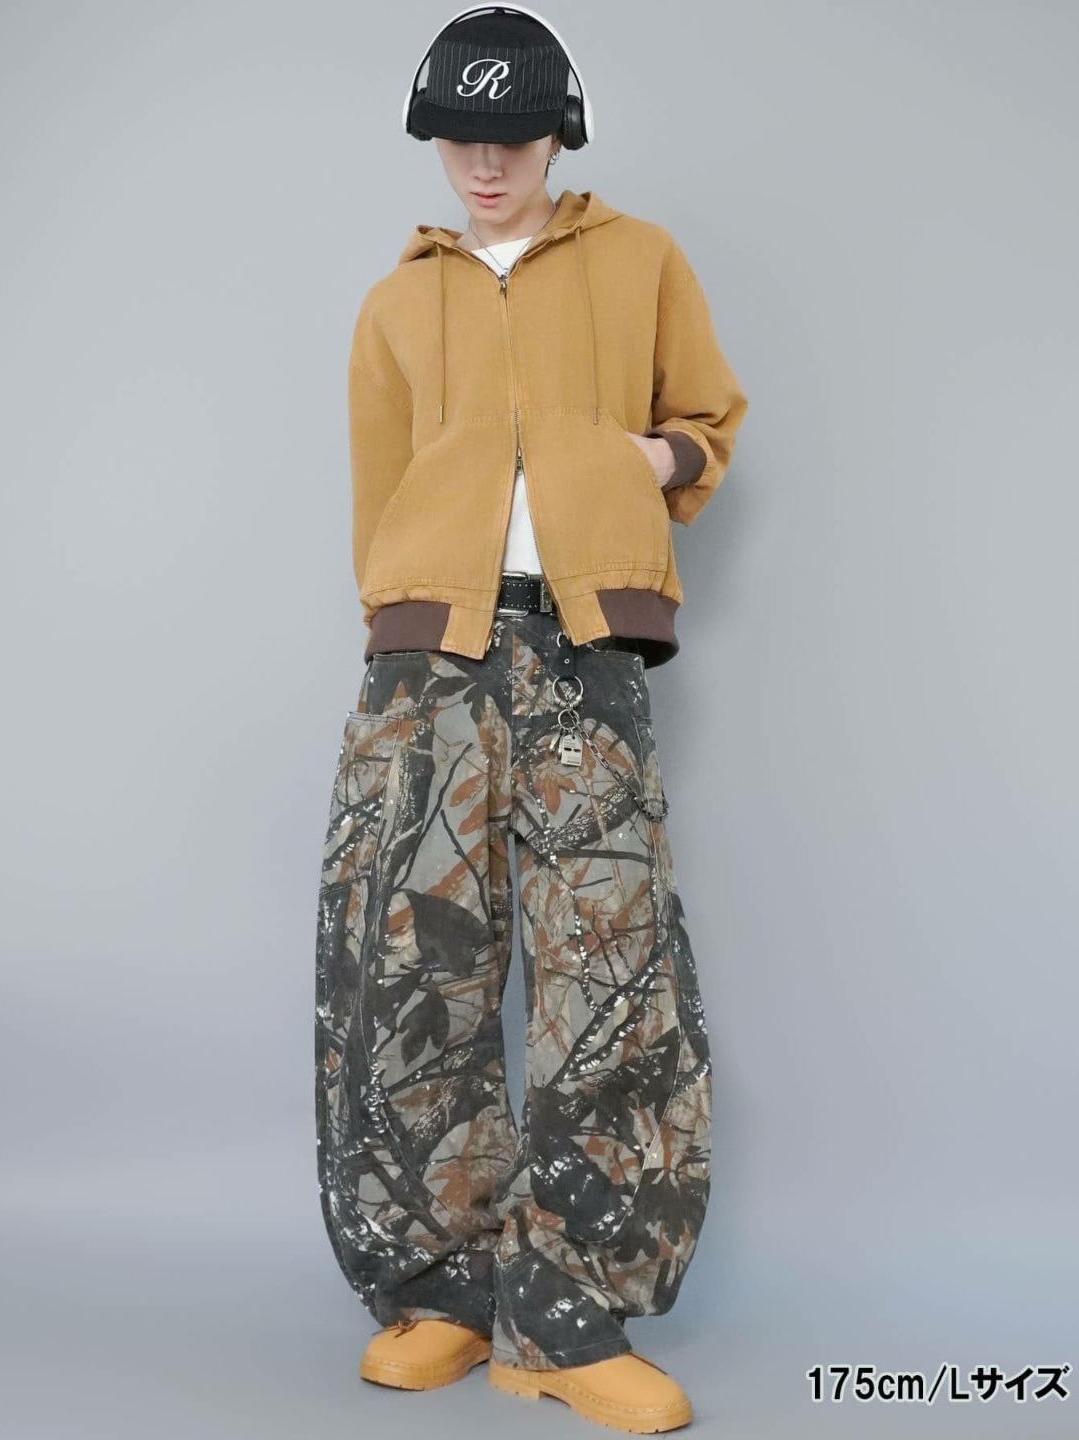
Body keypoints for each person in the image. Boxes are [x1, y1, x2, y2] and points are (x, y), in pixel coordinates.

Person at [315, 6, 748, 1432]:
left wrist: (647, 462)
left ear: (559, 134)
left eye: (508, 137)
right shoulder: (397, 304)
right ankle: (440, 1290)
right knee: (410, 966)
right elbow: (380, 497)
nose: (484, 166)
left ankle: (564, 1315)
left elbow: (709, 422)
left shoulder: (640, 260)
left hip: (583, 645)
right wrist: (401, 626)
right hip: (426, 658)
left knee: (605, 970)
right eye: (458, 138)